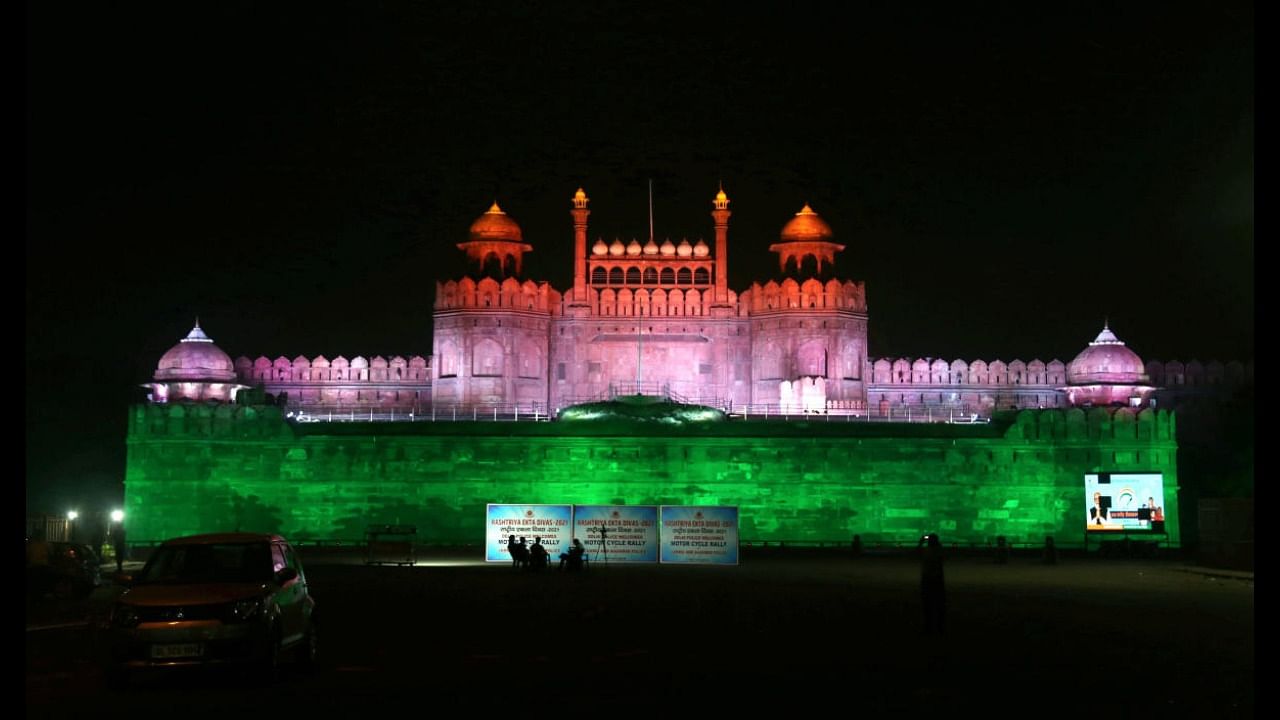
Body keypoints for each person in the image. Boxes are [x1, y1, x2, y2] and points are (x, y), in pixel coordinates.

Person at [919, 533, 945, 635]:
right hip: (938, 578)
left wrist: (921, 542)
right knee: (939, 602)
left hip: (927, 578)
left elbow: (915, 553)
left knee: (927, 602)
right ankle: (939, 624)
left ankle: (928, 624)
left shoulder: (925, 552)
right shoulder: (939, 551)